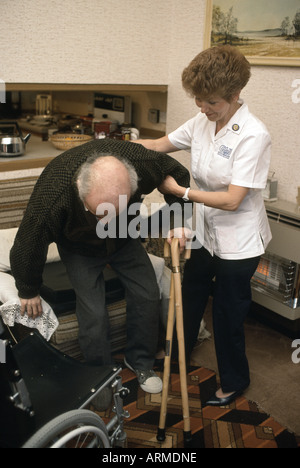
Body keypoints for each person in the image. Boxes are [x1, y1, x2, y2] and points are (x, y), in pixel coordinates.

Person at [136, 45, 272, 405]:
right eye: (198, 100)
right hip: (207, 233)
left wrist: (180, 191)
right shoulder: (201, 122)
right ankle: (176, 353)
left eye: (211, 102)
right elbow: (159, 144)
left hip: (240, 241)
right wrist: (124, 149)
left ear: (235, 94)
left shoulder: (253, 135)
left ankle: (234, 380)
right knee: (190, 294)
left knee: (228, 313)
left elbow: (232, 199)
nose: (203, 108)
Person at [10, 138, 191, 394]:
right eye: (99, 213)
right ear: (78, 188)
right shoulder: (55, 189)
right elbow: (30, 241)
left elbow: (178, 174)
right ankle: (100, 376)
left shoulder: (143, 162)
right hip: (79, 247)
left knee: (148, 294)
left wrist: (179, 218)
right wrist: (27, 288)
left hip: (124, 237)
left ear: (133, 183)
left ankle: (140, 361)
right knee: (93, 313)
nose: (105, 221)